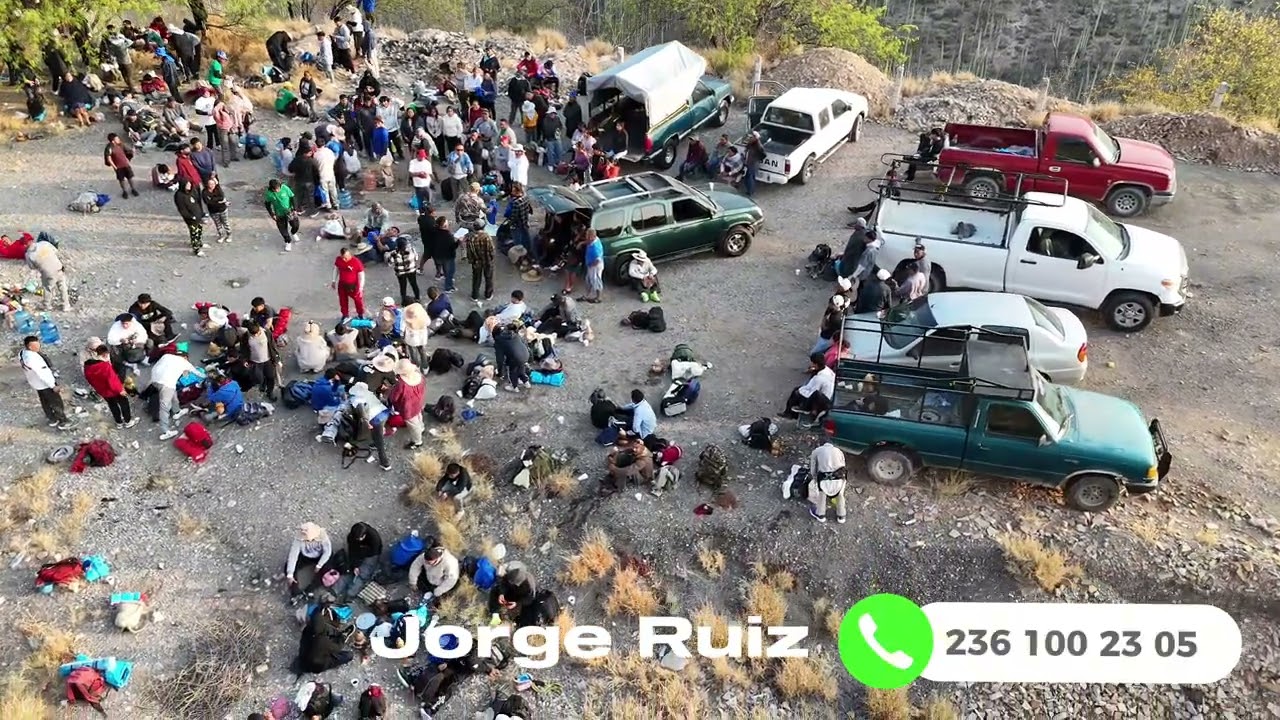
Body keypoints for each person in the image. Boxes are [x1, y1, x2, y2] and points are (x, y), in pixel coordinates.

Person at [20, 336, 74, 430]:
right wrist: (53, 385)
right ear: (29, 346)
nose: (39, 347)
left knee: (45, 401)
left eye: (38, 344)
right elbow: (43, 373)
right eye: (36, 345)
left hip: (35, 383)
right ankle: (63, 421)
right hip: (45, 384)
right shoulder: (33, 359)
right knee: (56, 402)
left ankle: (52, 419)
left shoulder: (22, 353)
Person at [85, 344, 137, 428]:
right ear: (105, 354)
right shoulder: (105, 366)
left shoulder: (87, 366)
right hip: (114, 391)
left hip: (103, 391)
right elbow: (112, 381)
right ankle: (128, 421)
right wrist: (120, 390)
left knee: (113, 406)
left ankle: (118, 422)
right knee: (124, 403)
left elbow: (89, 380)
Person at [151, 348, 199, 440]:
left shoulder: (167, 357)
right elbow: (188, 375)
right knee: (165, 407)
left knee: (174, 395)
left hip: (156, 379)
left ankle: (177, 411)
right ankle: (165, 431)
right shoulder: (181, 363)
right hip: (166, 384)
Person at [349, 380, 391, 470]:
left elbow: (363, 416)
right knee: (377, 433)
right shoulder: (370, 394)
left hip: (376, 419)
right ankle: (374, 443)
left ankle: (385, 463)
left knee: (380, 442)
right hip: (383, 414)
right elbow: (381, 401)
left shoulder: (358, 401)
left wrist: (368, 424)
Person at [782, 352, 835, 421]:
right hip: (825, 397)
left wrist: (800, 390)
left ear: (815, 364)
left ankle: (789, 413)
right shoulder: (828, 370)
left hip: (818, 401)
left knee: (796, 392)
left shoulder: (819, 378)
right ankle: (791, 413)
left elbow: (811, 392)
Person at [387, 359, 426, 449]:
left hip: (408, 408)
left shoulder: (401, 384)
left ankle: (417, 441)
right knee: (419, 415)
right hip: (418, 402)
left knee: (413, 424)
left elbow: (394, 398)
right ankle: (421, 428)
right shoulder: (420, 377)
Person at [337, 522, 382, 600]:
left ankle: (351, 593)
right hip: (359, 551)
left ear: (364, 535)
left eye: (360, 538)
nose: (359, 540)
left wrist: (361, 558)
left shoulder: (374, 538)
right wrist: (355, 565)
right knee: (350, 568)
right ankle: (339, 589)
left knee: (363, 573)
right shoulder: (351, 537)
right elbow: (352, 551)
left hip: (371, 553)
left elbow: (374, 552)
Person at [24, 237, 71, 312]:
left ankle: (47, 305)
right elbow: (55, 251)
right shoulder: (44, 243)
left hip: (48, 273)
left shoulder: (29, 255)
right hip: (58, 267)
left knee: (48, 288)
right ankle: (66, 305)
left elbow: (32, 267)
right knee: (63, 287)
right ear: (32, 240)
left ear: (25, 244)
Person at [238, 320, 281, 400]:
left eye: (258, 333)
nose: (257, 335)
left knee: (271, 377)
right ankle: (262, 384)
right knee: (258, 378)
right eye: (254, 334)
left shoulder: (266, 332)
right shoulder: (245, 337)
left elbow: (272, 346)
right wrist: (244, 360)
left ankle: (270, 392)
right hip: (255, 362)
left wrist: (276, 358)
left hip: (268, 360)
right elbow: (243, 350)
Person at [286, 522, 333, 593]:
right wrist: (290, 574)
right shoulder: (299, 539)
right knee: (288, 566)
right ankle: (295, 591)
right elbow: (293, 555)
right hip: (306, 557)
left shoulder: (323, 537)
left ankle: (310, 590)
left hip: (320, 556)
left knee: (327, 570)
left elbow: (327, 552)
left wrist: (319, 565)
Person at [807, 442, 848, 523]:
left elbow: (813, 468)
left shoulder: (817, 451)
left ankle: (821, 515)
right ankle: (841, 516)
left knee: (822, 494)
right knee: (840, 495)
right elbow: (843, 466)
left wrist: (815, 478)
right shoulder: (839, 451)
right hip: (839, 478)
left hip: (824, 479)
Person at [493, 323, 530, 392]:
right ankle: (526, 382)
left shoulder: (498, 341)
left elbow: (500, 359)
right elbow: (523, 343)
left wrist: (500, 372)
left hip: (516, 357)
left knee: (512, 371)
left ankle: (514, 386)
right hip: (526, 354)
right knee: (521, 368)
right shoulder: (514, 334)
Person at [264, 179, 300, 251]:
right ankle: (288, 241)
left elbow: (292, 197)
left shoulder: (285, 188)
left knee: (295, 225)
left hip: (289, 211)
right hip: (279, 213)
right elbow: (267, 204)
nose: (277, 191)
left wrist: (295, 209)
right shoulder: (269, 194)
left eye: (278, 188)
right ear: (271, 189)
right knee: (283, 229)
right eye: (275, 190)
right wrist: (272, 214)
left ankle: (293, 232)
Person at [174, 179, 206, 257]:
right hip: (191, 219)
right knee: (194, 232)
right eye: (187, 185)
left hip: (197, 215)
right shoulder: (179, 195)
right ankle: (196, 249)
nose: (189, 186)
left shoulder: (193, 191)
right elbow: (182, 209)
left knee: (199, 230)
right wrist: (190, 217)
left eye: (189, 185)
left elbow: (198, 202)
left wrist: (201, 213)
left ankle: (200, 242)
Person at [333, 247, 367, 319]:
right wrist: (334, 281)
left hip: (353, 285)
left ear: (349, 255)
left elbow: (361, 275)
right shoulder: (339, 260)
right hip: (342, 284)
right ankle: (345, 315)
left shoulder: (356, 262)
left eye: (346, 258)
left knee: (358, 301)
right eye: (343, 258)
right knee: (342, 300)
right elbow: (336, 270)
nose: (344, 260)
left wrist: (361, 288)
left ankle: (360, 314)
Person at [104, 133, 140, 198]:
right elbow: (109, 159)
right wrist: (115, 167)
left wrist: (132, 152)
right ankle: (125, 191)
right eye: (117, 139)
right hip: (118, 167)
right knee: (121, 180)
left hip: (126, 165)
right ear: (113, 141)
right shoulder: (109, 148)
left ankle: (133, 189)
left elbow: (127, 151)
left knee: (130, 178)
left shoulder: (121, 145)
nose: (118, 139)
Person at [464, 226, 495, 303]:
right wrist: (491, 258)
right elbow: (492, 250)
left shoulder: (470, 237)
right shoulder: (487, 237)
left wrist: (471, 260)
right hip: (487, 261)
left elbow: (469, 251)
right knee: (488, 278)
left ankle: (475, 296)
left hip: (476, 261)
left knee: (476, 279)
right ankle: (488, 295)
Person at [202, 176, 233, 244]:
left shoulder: (218, 189)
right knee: (218, 225)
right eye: (210, 184)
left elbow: (221, 197)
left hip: (222, 210)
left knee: (226, 223)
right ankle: (221, 235)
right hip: (213, 211)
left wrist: (213, 200)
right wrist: (218, 201)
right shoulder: (204, 192)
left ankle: (229, 235)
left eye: (213, 184)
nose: (211, 186)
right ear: (207, 184)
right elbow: (207, 202)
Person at [400, 303, 430, 370]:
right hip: (422, 337)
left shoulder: (405, 315)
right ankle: (425, 367)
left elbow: (402, 327)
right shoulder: (422, 315)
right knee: (422, 351)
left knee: (413, 353)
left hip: (411, 338)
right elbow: (428, 323)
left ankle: (416, 367)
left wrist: (402, 336)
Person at [579, 229, 603, 303]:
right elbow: (588, 241)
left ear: (594, 236)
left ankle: (598, 297)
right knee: (588, 280)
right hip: (591, 264)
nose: (588, 238)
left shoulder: (596, 247)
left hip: (595, 266)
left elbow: (598, 259)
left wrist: (590, 265)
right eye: (587, 236)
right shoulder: (593, 240)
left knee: (596, 281)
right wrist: (582, 243)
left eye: (589, 237)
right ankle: (587, 295)